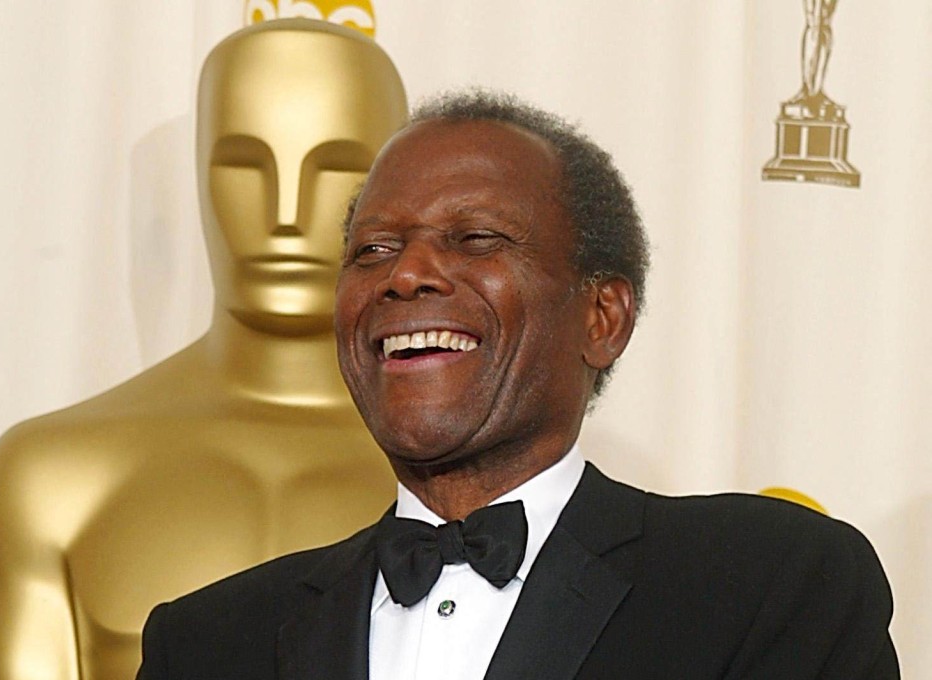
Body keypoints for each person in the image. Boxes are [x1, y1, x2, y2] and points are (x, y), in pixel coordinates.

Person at [135, 90, 898, 679]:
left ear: (603, 318)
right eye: (372, 249)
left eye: (473, 239)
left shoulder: (766, 583)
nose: (405, 274)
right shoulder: (207, 644)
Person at [0, 20, 406, 680]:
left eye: (335, 168)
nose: (284, 212)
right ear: (198, 171)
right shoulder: (55, 479)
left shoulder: (474, 487)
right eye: (243, 163)